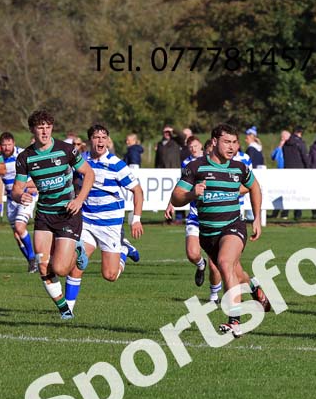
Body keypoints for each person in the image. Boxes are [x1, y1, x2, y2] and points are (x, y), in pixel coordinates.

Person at [171, 124, 269, 338]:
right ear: (214, 142)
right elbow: (176, 197)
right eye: (227, 142)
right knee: (235, 272)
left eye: (235, 142)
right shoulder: (196, 167)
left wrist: (257, 219)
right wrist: (191, 194)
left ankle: (234, 321)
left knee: (224, 263)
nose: (232, 147)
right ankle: (255, 287)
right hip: (207, 233)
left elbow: (255, 186)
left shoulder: (239, 168)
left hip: (233, 225)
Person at [12, 109, 94, 319]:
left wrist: (79, 200)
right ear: (32, 130)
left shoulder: (66, 150)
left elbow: (88, 173)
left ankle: (78, 250)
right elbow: (16, 189)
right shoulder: (25, 157)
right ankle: (64, 310)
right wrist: (19, 195)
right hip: (44, 217)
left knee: (60, 268)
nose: (45, 131)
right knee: (42, 264)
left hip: (68, 213)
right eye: (40, 127)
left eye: (48, 127)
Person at [63, 125, 145, 312]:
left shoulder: (116, 164)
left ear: (108, 140)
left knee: (110, 275)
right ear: (90, 140)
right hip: (87, 222)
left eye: (103, 137)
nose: (100, 141)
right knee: (76, 265)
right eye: (96, 137)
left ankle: (124, 249)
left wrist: (136, 219)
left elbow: (137, 191)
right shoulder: (82, 160)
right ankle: (67, 311)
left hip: (110, 225)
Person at [164, 136, 224, 303]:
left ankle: (214, 296)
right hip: (196, 216)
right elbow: (181, 187)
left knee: (215, 263)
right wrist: (171, 204)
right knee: (192, 254)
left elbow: (244, 187)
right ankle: (200, 265)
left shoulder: (225, 168)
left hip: (216, 219)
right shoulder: (194, 166)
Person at [0, 131, 38, 272]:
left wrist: (33, 186)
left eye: (9, 145)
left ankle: (33, 257)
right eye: (4, 145)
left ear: (14, 144)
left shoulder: (22, 155)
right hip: (11, 200)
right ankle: (32, 264)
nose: (7, 148)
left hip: (26, 196)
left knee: (20, 227)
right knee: (17, 235)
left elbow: (36, 172)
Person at [282, 126, 309, 220]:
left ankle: (284, 213)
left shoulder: (286, 144)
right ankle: (297, 214)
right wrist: (308, 167)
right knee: (298, 192)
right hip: (299, 171)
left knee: (288, 192)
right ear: (300, 133)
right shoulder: (300, 143)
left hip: (287, 170)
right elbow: (305, 157)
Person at [269, 130, 290, 218]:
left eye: (284, 137)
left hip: (287, 173)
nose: (282, 139)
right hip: (279, 173)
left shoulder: (290, 148)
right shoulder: (280, 148)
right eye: (281, 137)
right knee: (277, 193)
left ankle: (285, 213)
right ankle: (275, 212)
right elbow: (273, 157)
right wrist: (279, 147)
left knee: (287, 194)